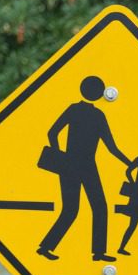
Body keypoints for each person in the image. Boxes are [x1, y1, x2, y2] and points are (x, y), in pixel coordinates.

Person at [37, 75, 130, 262]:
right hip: (86, 165)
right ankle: (98, 253)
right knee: (99, 208)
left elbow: (52, 132)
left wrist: (60, 156)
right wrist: (129, 163)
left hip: (70, 164)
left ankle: (46, 247)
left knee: (71, 210)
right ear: (99, 93)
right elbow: (111, 148)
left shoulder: (74, 110)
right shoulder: (98, 116)